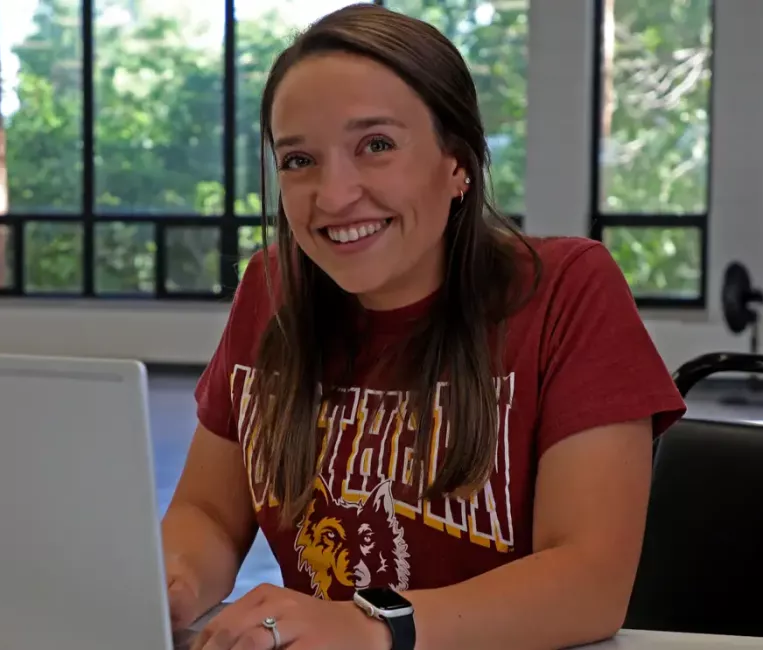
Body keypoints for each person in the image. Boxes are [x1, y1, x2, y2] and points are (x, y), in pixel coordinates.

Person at [160, 4, 687, 649]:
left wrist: (374, 625)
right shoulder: (273, 288)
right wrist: (173, 579)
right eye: (299, 160)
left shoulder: (567, 289)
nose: (333, 195)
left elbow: (589, 581)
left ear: (457, 163)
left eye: (375, 146)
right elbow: (209, 511)